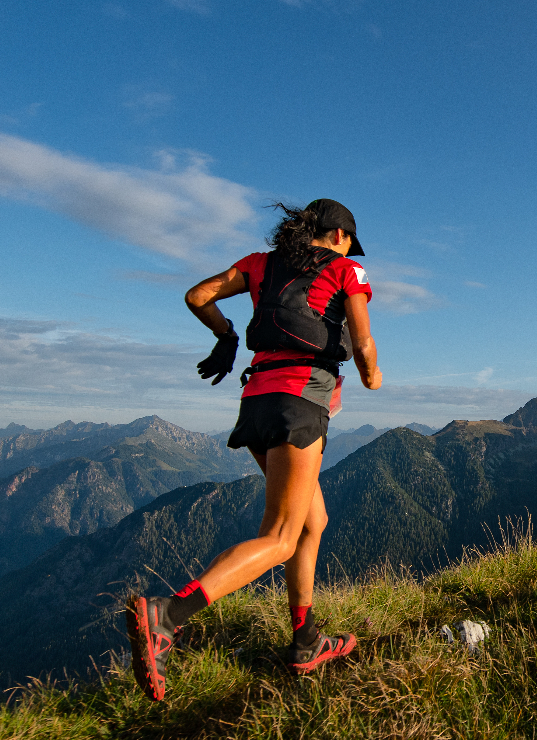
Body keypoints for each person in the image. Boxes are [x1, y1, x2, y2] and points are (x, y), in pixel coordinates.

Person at [126, 198, 382, 701]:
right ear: (337, 236)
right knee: (282, 536)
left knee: (313, 521)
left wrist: (226, 336)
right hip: (300, 402)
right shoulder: (347, 269)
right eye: (350, 240)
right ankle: (166, 617)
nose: (351, 248)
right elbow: (364, 341)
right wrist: (371, 376)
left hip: (256, 401)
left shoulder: (259, 263)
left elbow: (198, 294)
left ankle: (306, 640)